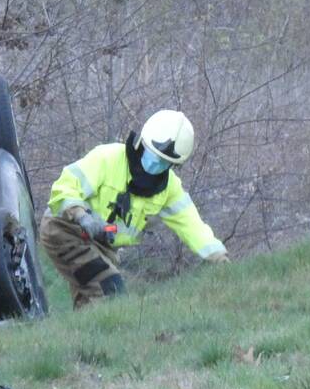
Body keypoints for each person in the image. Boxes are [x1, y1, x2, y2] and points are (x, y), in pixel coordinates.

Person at [39, 110, 228, 309]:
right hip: (65, 230)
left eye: (164, 162)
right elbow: (65, 187)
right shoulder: (108, 158)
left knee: (93, 304)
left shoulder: (169, 189)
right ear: (141, 143)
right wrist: (81, 216)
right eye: (152, 155)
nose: (155, 163)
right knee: (110, 290)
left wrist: (220, 258)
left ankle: (85, 329)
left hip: (102, 246)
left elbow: (193, 226)